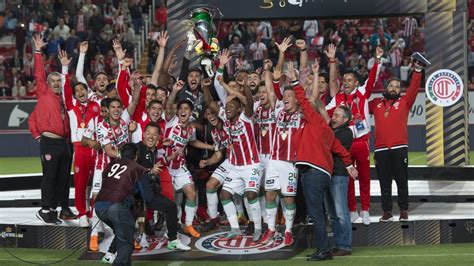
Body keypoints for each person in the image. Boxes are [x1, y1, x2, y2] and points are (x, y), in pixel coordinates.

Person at [290, 62, 357, 262]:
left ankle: (324, 251)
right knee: (318, 213)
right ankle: (323, 248)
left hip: (313, 171)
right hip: (321, 172)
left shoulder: (315, 121)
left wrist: (295, 81)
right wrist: (350, 166)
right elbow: (342, 152)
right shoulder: (326, 130)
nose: (304, 111)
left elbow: (303, 99)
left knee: (316, 213)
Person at [325, 46, 383, 225]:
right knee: (348, 178)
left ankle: (365, 209)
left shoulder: (363, 93)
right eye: (345, 80)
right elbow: (325, 113)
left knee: (364, 177)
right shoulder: (338, 98)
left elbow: (372, 79)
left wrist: (377, 60)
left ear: (356, 82)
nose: (346, 82)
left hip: (361, 142)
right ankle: (352, 210)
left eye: (350, 80)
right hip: (344, 144)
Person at [369, 60, 423, 222]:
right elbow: (361, 98)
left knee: (401, 181)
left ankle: (404, 210)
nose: (394, 88)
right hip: (380, 149)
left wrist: (417, 71)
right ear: (386, 87)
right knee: (384, 183)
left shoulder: (405, 102)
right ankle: (387, 211)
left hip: (399, 148)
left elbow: (413, 88)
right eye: (391, 86)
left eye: (397, 87)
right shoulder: (376, 103)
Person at [29, 34, 75, 225]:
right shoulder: (44, 92)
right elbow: (39, 73)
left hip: (65, 143)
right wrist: (38, 51)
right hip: (50, 142)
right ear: (48, 84)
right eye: (54, 81)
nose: (57, 83)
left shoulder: (65, 99)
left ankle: (56, 209)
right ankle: (45, 208)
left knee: (63, 178)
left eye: (59, 81)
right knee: (50, 176)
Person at [259, 61, 303, 247]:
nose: (285, 98)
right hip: (274, 161)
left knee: (288, 198)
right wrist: (268, 71)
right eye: (284, 95)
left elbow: (312, 96)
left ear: (296, 99)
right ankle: (270, 229)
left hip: (291, 163)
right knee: (270, 195)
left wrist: (295, 80)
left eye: (289, 96)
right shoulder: (278, 111)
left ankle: (288, 231)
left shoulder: (301, 115)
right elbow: (270, 91)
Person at [59, 50, 101, 227]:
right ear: (75, 95)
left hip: (97, 148)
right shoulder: (71, 106)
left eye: (83, 89)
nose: (80, 92)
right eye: (77, 91)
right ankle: (82, 213)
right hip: (81, 149)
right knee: (81, 183)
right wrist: (64, 67)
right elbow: (65, 89)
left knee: (98, 184)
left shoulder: (95, 105)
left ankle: (94, 212)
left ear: (87, 90)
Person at [135, 122, 191, 251]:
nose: (151, 137)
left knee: (170, 206)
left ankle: (172, 240)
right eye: (148, 133)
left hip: (147, 191)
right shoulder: (137, 149)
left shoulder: (153, 150)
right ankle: (139, 236)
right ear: (143, 134)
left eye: (154, 134)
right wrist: (149, 171)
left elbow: (159, 163)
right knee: (140, 206)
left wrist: (174, 156)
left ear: (159, 137)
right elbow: (131, 168)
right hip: (134, 192)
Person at [94, 143, 148, 266]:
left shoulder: (110, 164)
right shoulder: (137, 167)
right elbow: (146, 196)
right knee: (126, 243)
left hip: (99, 207)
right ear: (136, 156)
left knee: (121, 235)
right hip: (116, 207)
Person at [327, 105, 353, 256]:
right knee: (333, 214)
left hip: (339, 176)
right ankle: (338, 244)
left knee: (341, 212)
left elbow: (329, 144)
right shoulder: (335, 131)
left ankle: (345, 245)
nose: (333, 118)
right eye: (333, 115)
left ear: (345, 119)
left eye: (337, 116)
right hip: (330, 175)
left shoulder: (346, 133)